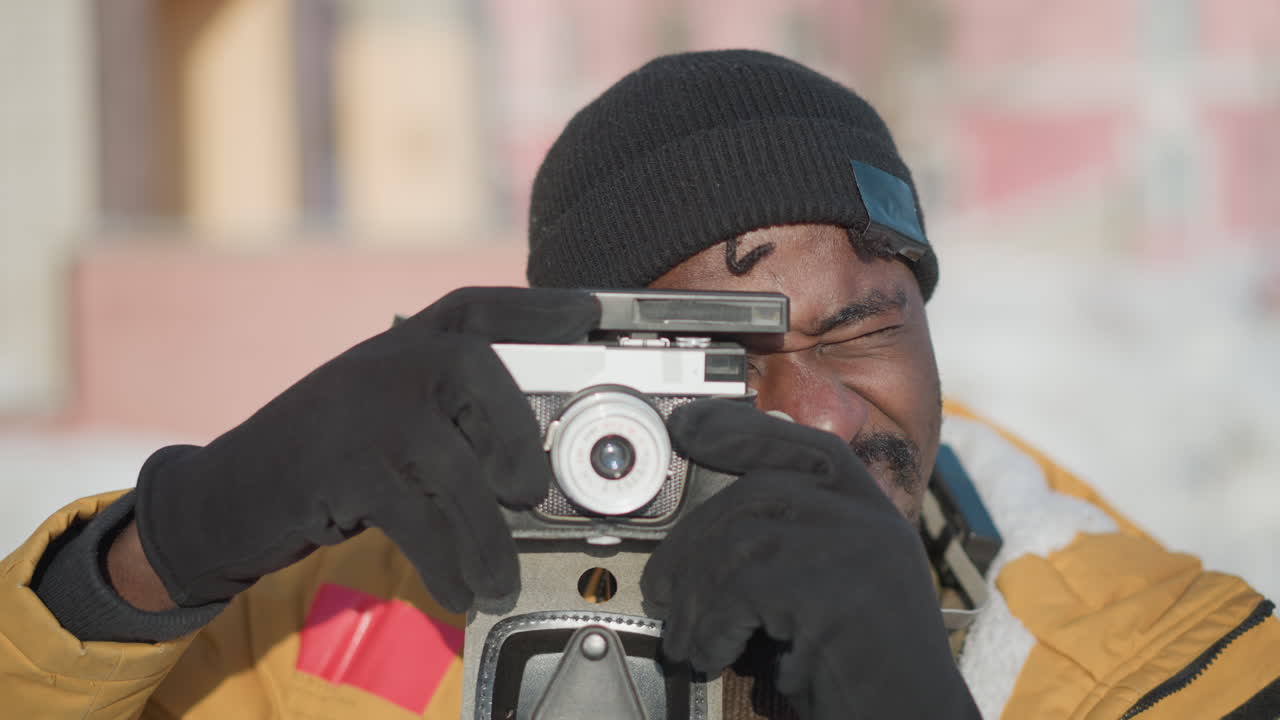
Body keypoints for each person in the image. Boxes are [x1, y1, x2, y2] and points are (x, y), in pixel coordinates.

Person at [3, 49, 1278, 719]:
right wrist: (163, 549)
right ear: (590, 373)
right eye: (721, 358)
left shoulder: (1154, 655)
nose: (822, 423)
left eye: (859, 335)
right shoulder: (343, 635)